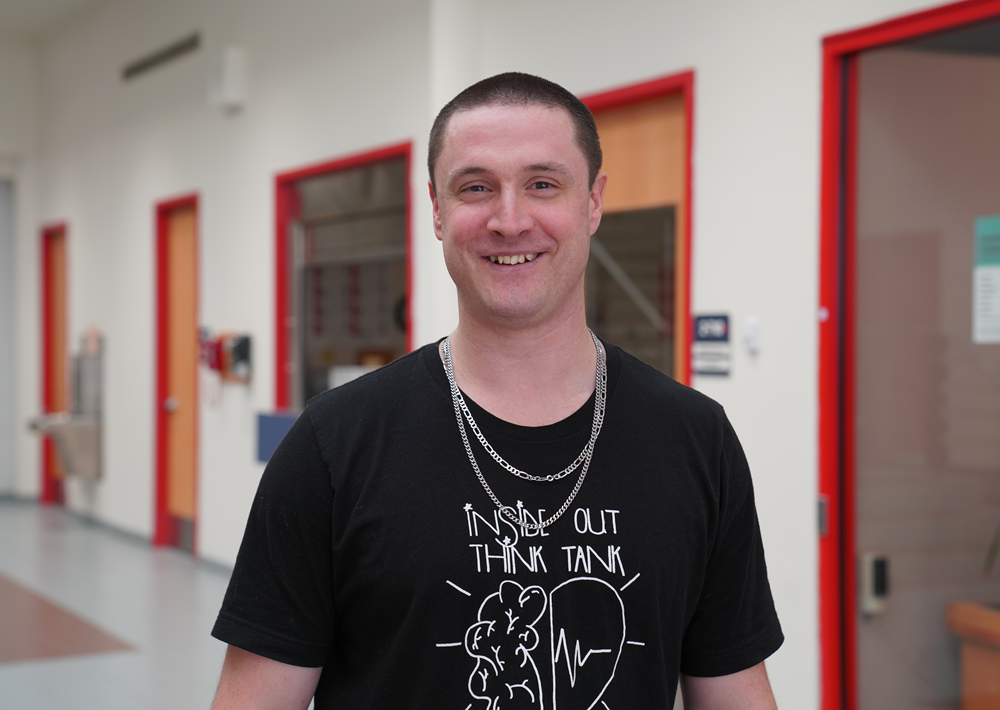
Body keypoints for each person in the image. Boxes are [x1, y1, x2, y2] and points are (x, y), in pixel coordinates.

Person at [210, 72, 783, 709]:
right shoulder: (333, 446)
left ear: (592, 202)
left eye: (543, 184)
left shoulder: (697, 440)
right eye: (476, 187)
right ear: (436, 209)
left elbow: (735, 691)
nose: (510, 221)